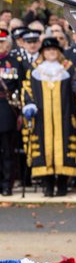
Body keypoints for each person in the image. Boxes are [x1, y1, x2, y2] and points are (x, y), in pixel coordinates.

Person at [20, 37, 76, 196]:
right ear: (43, 53)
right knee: (44, 151)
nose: (51, 52)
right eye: (48, 50)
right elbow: (27, 89)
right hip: (42, 119)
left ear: (59, 52)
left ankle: (63, 185)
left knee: (65, 151)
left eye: (54, 49)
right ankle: (48, 186)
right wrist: (29, 105)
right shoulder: (34, 70)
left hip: (65, 118)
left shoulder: (68, 68)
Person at [0, 32, 22, 195]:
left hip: (6, 109)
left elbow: (21, 87)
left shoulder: (14, 62)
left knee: (7, 149)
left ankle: (7, 184)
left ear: (7, 45)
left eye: (1, 42)